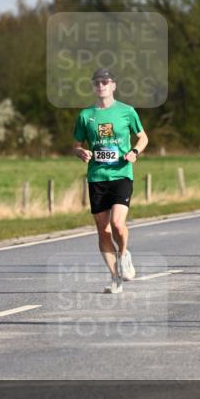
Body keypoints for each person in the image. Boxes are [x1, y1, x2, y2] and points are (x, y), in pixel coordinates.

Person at [73, 68, 148, 294]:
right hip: (97, 177)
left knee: (117, 223)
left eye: (105, 81)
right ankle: (115, 277)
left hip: (121, 173)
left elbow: (143, 137)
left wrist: (134, 152)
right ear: (93, 86)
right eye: (97, 82)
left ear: (113, 85)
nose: (101, 85)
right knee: (102, 230)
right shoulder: (85, 115)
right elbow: (76, 144)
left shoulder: (127, 111)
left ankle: (124, 253)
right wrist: (81, 152)